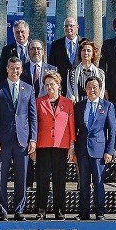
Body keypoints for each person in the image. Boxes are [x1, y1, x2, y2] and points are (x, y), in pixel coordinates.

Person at [0, 56, 38, 220]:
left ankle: (19, 210)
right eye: (12, 68)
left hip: (22, 140)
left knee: (21, 176)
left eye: (17, 68)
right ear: (7, 69)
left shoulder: (29, 89)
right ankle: (2, 209)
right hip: (2, 140)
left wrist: (33, 139)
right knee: (1, 176)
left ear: (21, 70)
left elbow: (33, 117)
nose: (14, 71)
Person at [34, 70, 76, 220]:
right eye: (46, 85)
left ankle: (59, 210)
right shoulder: (39, 102)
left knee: (59, 180)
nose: (49, 87)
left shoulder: (68, 103)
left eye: (52, 84)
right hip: (43, 146)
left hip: (61, 146)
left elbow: (71, 125)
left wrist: (72, 147)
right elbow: (35, 125)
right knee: (42, 179)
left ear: (59, 85)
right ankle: (41, 210)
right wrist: (33, 146)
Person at [74, 76, 116, 220]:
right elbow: (74, 129)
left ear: (100, 89)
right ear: (85, 89)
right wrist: (73, 149)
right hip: (82, 150)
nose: (92, 90)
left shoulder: (107, 106)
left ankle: (100, 212)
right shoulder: (78, 106)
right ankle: (84, 212)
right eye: (89, 87)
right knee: (83, 183)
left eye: (95, 87)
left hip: (99, 151)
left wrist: (109, 151)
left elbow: (112, 130)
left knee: (99, 183)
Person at [48, 16, 82, 98]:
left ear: (77, 27)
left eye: (71, 26)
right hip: (62, 89)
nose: (68, 28)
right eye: (66, 26)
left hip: (81, 88)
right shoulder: (56, 45)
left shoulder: (84, 43)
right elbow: (51, 66)